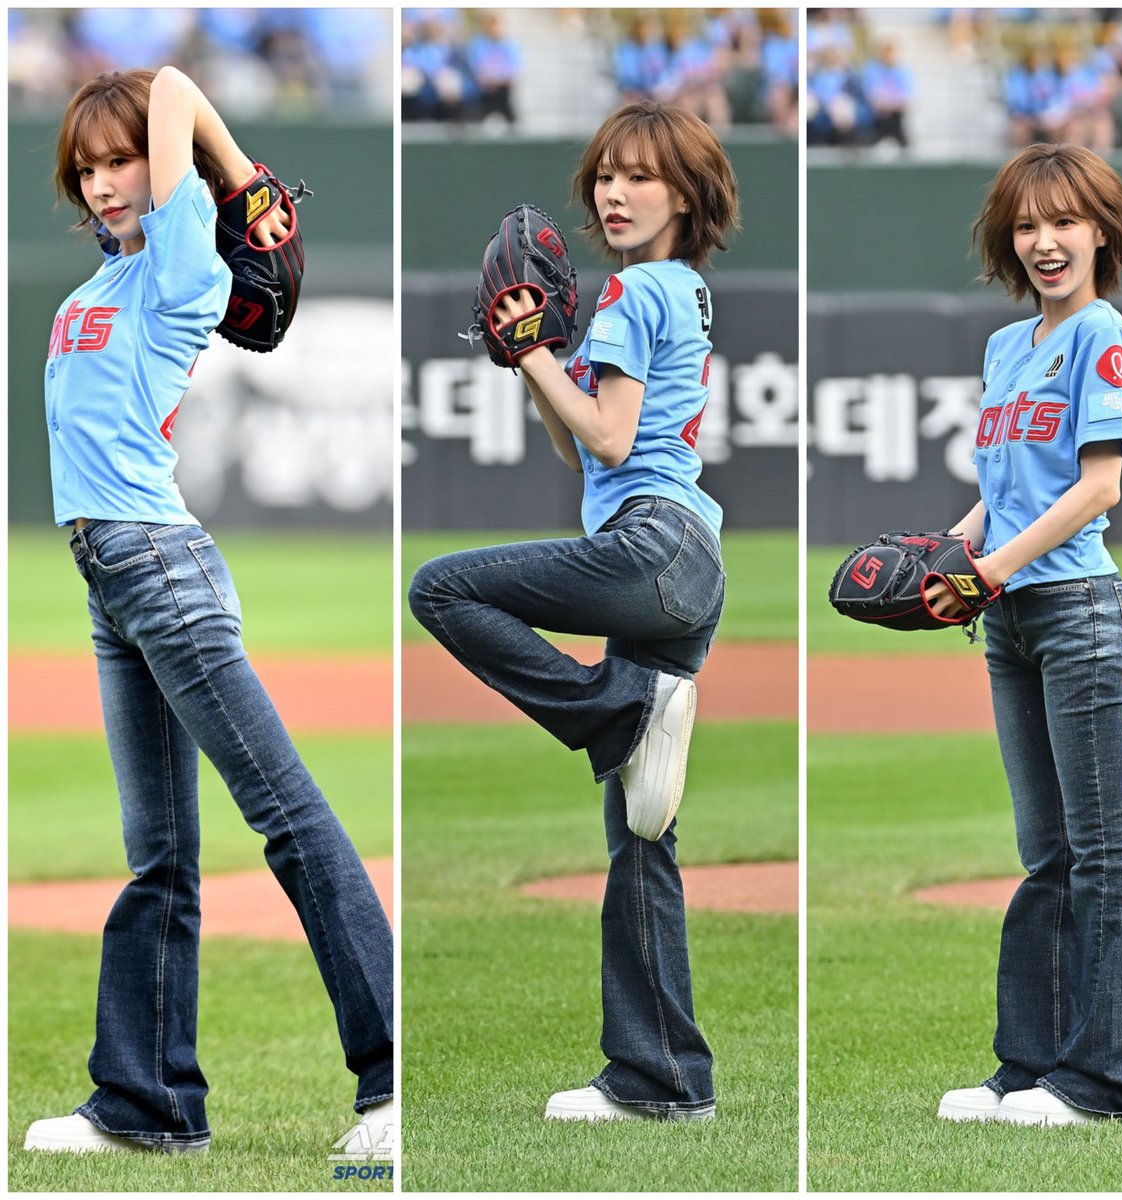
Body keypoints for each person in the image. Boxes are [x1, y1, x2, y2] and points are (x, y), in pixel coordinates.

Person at [24, 67, 393, 1155]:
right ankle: (147, 1104)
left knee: (287, 818)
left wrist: (234, 175)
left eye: (122, 159)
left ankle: (392, 1083)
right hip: (111, 582)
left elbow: (178, 85)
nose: (104, 182)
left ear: (164, 167)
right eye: (87, 167)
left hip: (160, 568)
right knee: (160, 855)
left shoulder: (181, 263)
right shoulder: (96, 288)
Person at [408, 99, 739, 1122]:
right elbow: (578, 440)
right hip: (682, 559)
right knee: (643, 836)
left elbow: (608, 439)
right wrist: (532, 361)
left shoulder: (636, 289)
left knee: (441, 587)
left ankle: (618, 714)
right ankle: (661, 1078)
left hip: (652, 544)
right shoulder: (678, 287)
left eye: (640, 174)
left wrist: (538, 352)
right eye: (605, 173)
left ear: (684, 194)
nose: (614, 190)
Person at [931, 143, 1122, 1126]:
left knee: (1101, 852)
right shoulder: (1005, 347)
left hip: (1076, 612)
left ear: (1102, 230)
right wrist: (945, 553)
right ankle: (1029, 1067)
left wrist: (991, 568)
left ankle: (1113, 1081)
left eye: (1065, 221)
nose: (1045, 241)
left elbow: (1098, 487)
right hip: (1013, 618)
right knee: (1046, 855)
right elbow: (1002, 491)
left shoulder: (1102, 332)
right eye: (1027, 225)